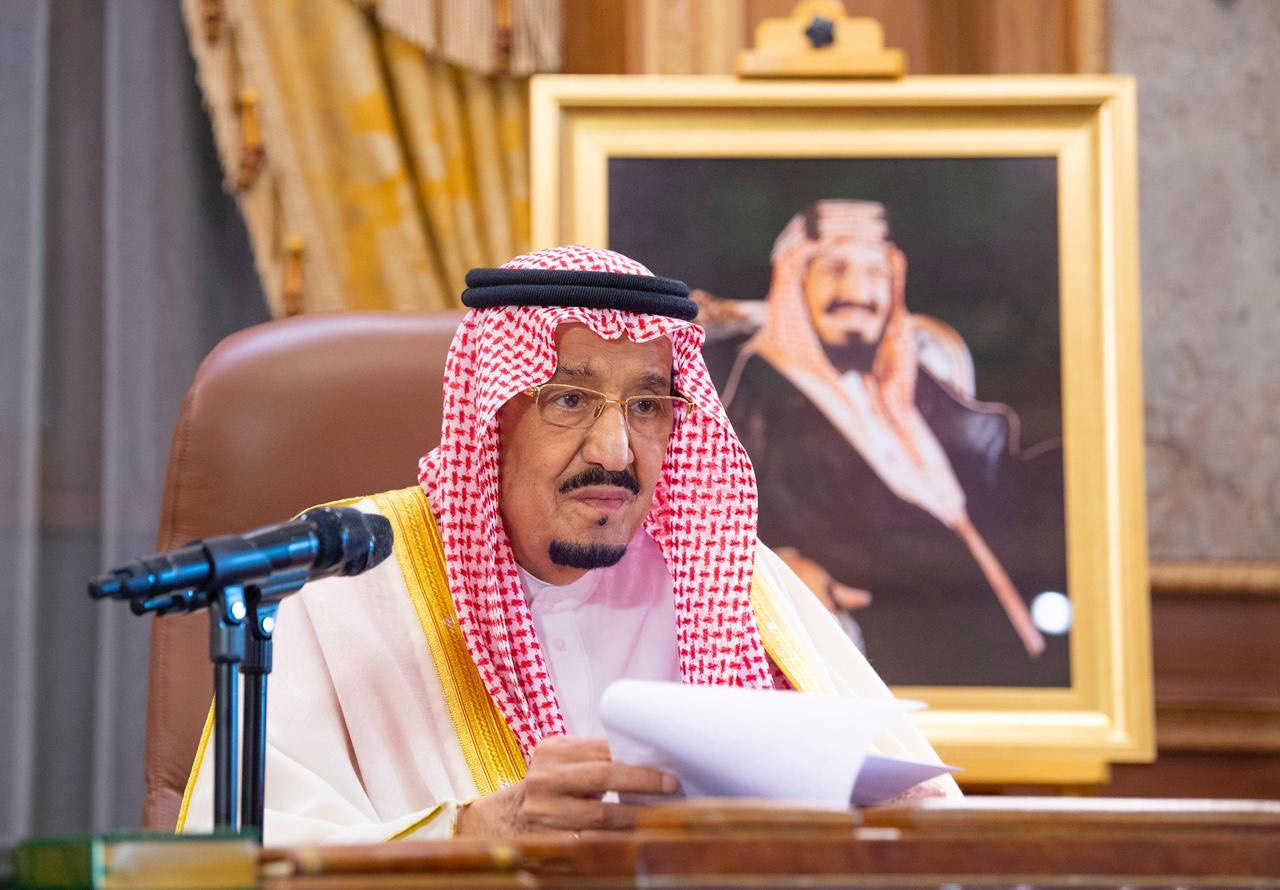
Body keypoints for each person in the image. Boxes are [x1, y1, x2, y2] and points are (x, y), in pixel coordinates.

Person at [179, 245, 958, 844]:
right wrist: (470, 836)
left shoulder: (731, 583)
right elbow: (236, 858)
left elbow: (921, 811)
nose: (615, 451)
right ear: (492, 416)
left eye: (648, 406)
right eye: (570, 399)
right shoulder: (349, 580)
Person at [714, 201, 1069, 687]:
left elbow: (1000, 474)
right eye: (835, 269)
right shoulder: (763, 404)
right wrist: (777, 571)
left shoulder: (907, 381)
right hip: (899, 664)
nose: (859, 293)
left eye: (876, 273)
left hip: (1018, 652)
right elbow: (730, 530)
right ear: (796, 284)